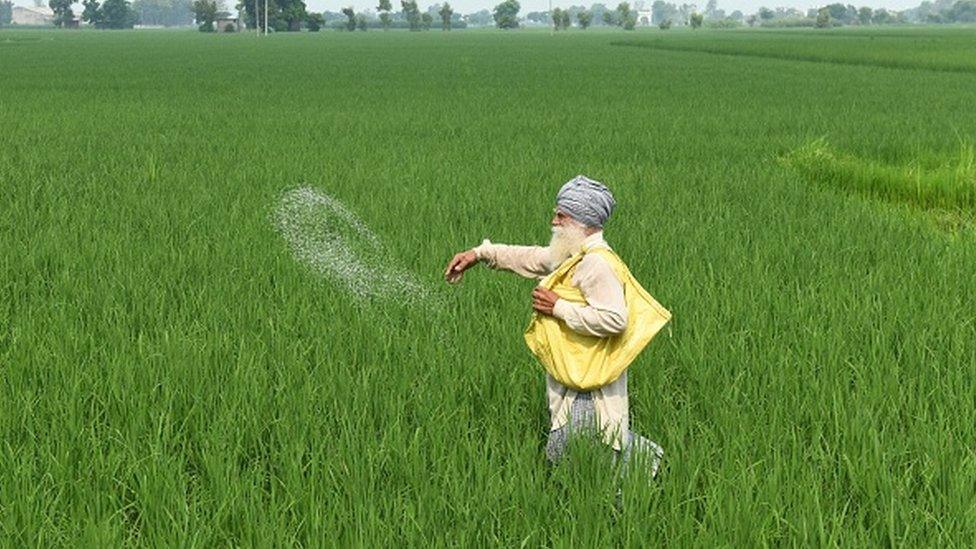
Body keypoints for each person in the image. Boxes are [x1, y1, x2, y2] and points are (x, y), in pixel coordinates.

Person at [444, 175, 666, 479]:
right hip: (575, 374)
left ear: (581, 220)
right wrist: (480, 254)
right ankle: (645, 475)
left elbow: (616, 319)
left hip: (590, 379)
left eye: (561, 215)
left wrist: (558, 307)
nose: (554, 221)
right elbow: (532, 257)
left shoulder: (596, 264)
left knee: (576, 448)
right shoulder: (573, 257)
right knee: (579, 448)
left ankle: (647, 475)